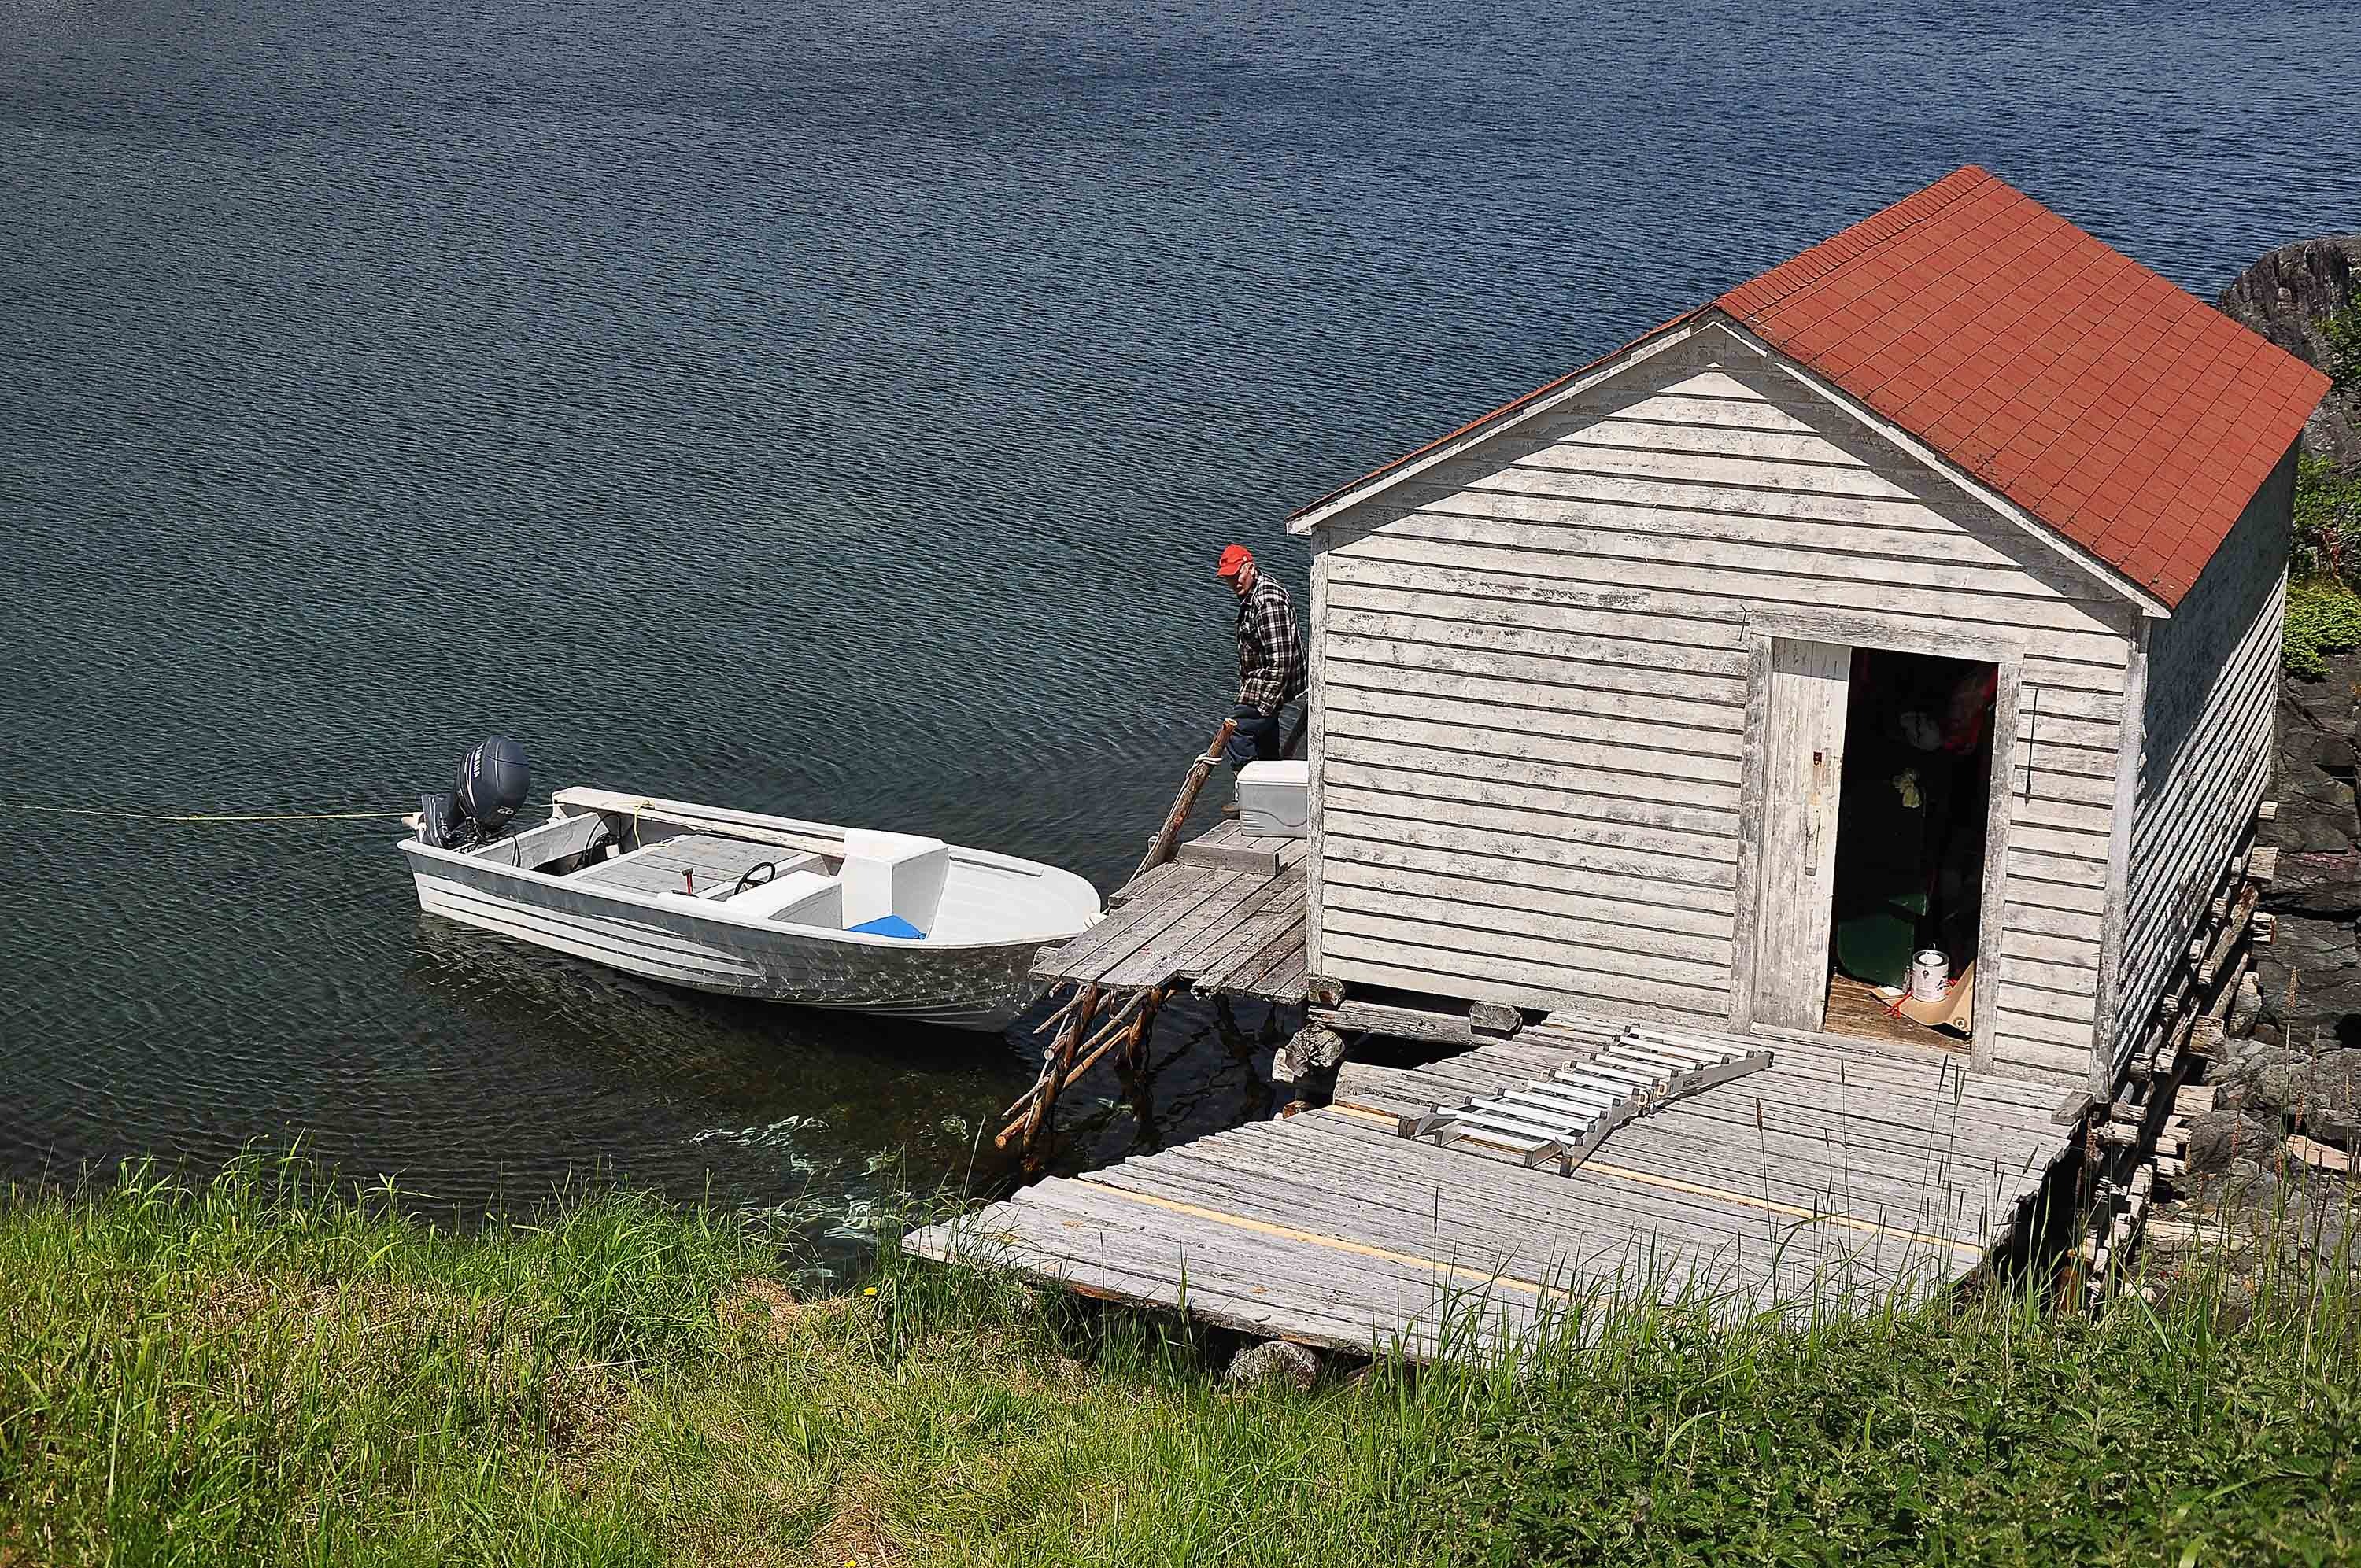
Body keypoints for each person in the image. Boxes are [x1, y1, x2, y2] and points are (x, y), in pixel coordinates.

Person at [1215, 543, 1305, 772]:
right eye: (1228, 578)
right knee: (1265, 747)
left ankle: (1248, 793)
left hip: (1269, 685)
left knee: (1236, 731)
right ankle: (1270, 793)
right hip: (1262, 684)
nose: (1233, 582)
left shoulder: (1267, 601)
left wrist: (1265, 705)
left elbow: (1281, 659)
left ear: (1251, 569)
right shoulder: (1254, 596)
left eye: (1237, 575)